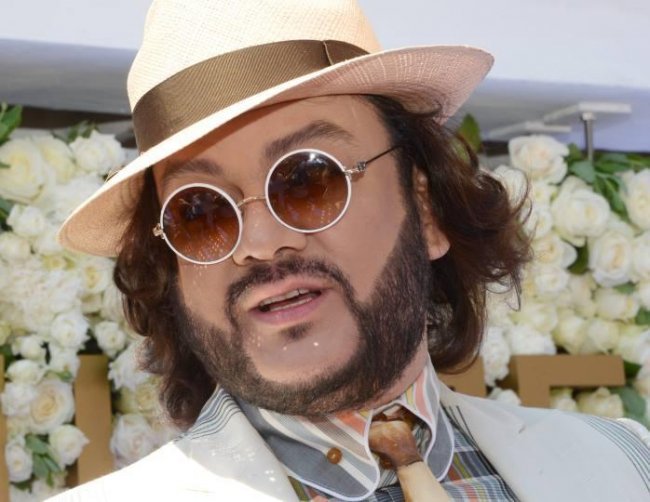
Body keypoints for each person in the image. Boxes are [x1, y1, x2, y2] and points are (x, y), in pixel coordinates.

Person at [53, 1, 649, 500]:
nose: (260, 243)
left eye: (307, 180)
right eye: (200, 213)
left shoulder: (623, 465)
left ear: (426, 210)